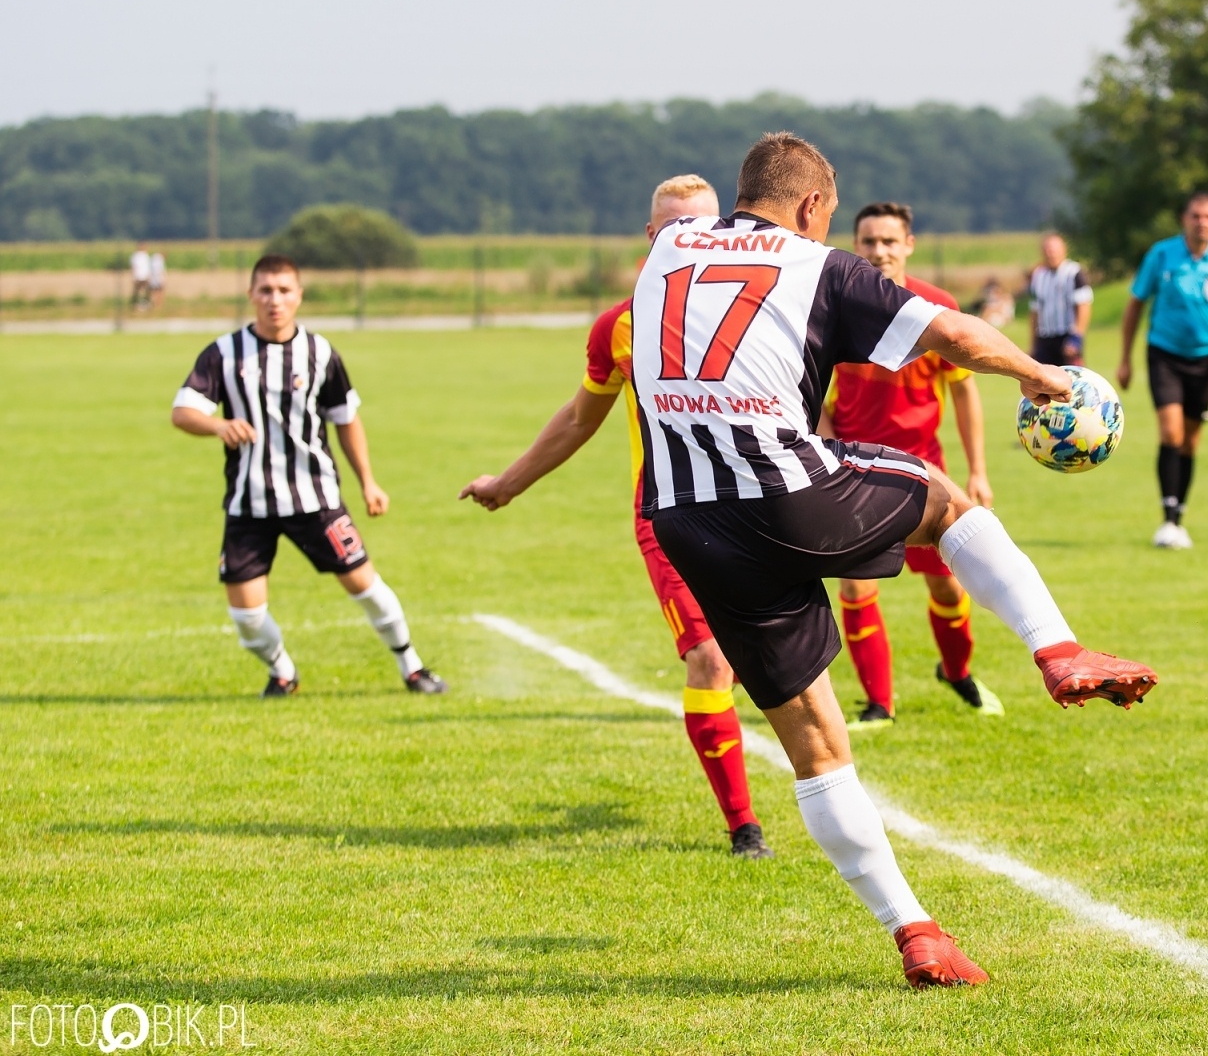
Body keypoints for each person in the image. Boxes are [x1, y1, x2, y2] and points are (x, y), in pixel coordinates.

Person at [631, 132, 1156, 988]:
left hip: (689, 519)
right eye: (828, 215)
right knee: (946, 501)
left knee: (814, 742)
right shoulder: (821, 266)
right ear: (811, 207)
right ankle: (1057, 647)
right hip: (785, 487)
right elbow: (952, 331)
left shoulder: (666, 251)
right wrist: (1041, 377)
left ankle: (916, 933)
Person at [458, 175, 773, 861]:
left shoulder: (762, 305)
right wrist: (507, 484)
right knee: (709, 658)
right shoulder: (622, 324)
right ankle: (743, 826)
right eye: (670, 230)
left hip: (758, 505)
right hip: (671, 513)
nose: (684, 239)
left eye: (699, 227)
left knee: (764, 661)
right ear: (651, 238)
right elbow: (579, 419)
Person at [171, 255, 447, 697]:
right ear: (250, 296)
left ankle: (412, 667)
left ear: (299, 296)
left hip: (315, 500)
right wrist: (219, 425)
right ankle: (283, 672)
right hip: (249, 504)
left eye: (283, 291)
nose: (274, 300)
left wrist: (368, 481)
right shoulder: (222, 353)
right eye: (265, 291)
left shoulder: (320, 353)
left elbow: (346, 419)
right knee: (246, 619)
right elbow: (183, 412)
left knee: (367, 587)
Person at [817, 201, 1003, 727]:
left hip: (926, 473)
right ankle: (879, 705)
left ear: (909, 246)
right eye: (869, 241)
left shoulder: (937, 307)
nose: (879, 251)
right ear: (856, 245)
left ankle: (957, 672)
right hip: (853, 472)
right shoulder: (833, 308)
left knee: (948, 585)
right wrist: (829, 456)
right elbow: (817, 400)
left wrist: (979, 471)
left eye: (889, 242)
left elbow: (964, 395)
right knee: (855, 586)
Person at [1116, 193, 1208, 551]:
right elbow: (1135, 305)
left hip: (1205, 359)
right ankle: (1168, 520)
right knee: (1171, 433)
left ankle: (1179, 516)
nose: (1201, 222)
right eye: (1195, 215)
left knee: (1190, 441)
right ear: (1183, 219)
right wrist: (1125, 359)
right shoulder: (1162, 255)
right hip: (1164, 354)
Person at [1027, 232, 1093, 365]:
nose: (1051, 254)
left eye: (1054, 250)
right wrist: (1033, 345)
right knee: (1041, 382)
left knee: (1071, 380)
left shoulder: (1074, 272)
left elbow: (1084, 306)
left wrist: (1076, 337)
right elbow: (1035, 311)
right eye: (1048, 250)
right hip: (1045, 338)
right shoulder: (1038, 276)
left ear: (1064, 250)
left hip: (1067, 335)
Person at [130, 243, 152, 309]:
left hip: (145, 276)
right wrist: (133, 277)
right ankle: (134, 304)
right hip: (138, 276)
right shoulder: (136, 256)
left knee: (146, 291)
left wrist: (149, 276)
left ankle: (145, 304)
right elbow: (134, 267)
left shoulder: (146, 255)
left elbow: (148, 267)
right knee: (137, 291)